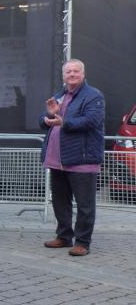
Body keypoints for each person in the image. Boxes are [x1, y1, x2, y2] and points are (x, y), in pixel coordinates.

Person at [40, 59, 104, 257]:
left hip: (82, 160)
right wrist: (47, 118)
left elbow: (92, 120)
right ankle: (64, 236)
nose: (72, 74)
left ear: (83, 74)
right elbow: (45, 119)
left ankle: (83, 242)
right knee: (60, 201)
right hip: (57, 160)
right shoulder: (59, 95)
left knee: (85, 205)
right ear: (63, 75)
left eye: (76, 71)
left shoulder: (93, 95)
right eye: (68, 72)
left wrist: (64, 122)